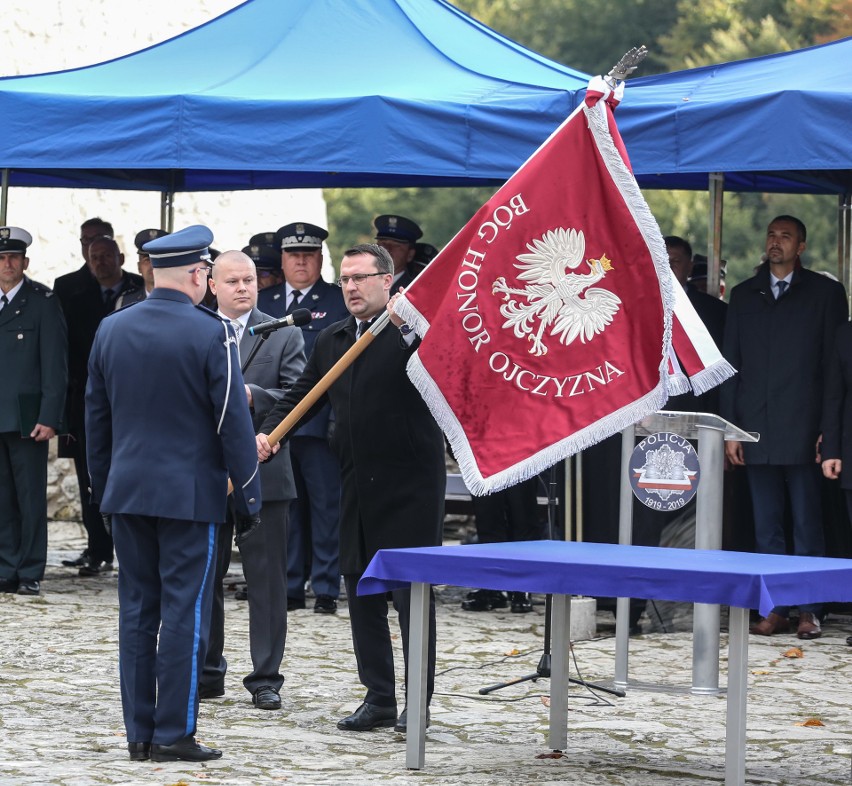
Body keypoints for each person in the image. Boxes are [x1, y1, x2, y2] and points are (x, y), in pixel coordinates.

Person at [85, 225, 261, 763]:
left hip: (128, 492)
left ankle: (138, 733)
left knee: (137, 612)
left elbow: (96, 419)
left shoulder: (111, 329)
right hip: (189, 496)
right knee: (183, 612)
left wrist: (103, 489)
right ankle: (172, 734)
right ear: (196, 274)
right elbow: (232, 422)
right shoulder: (213, 333)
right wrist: (248, 496)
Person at [256, 243, 445, 733]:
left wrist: (409, 331)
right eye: (345, 279)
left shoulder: (416, 335)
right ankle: (379, 696)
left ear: (388, 281)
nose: (351, 287)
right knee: (361, 591)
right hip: (355, 484)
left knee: (410, 598)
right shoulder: (335, 338)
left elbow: (448, 372)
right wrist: (271, 433)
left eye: (361, 278)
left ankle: (417, 702)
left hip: (410, 489)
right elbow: (305, 394)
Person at [721, 215, 848, 640]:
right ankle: (773, 609)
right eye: (772, 235)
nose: (776, 242)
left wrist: (828, 432)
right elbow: (730, 367)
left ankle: (811, 611)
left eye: (786, 236)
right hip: (754, 429)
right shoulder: (743, 294)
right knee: (766, 527)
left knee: (808, 526)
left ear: (802, 246)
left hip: (805, 429)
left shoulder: (827, 294)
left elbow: (835, 372)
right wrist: (730, 429)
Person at [199, 250, 306, 710]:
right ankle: (207, 671)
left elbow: (299, 394)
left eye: (250, 280)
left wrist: (253, 397)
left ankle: (266, 678)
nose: (244, 287)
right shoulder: (196, 330)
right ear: (212, 286)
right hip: (207, 473)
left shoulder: (284, 332)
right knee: (205, 575)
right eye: (234, 281)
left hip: (266, 471)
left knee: (267, 581)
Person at [259, 221, 348, 613]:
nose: (300, 262)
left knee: (327, 506)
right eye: (293, 255)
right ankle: (290, 584)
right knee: (284, 508)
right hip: (277, 422)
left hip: (322, 422)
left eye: (308, 255)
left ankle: (326, 585)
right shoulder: (267, 301)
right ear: (282, 259)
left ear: (320, 258)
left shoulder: (339, 299)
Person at [54, 225, 145, 577]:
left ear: (121, 258)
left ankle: (132, 547)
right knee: (91, 473)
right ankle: (97, 548)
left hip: (130, 398)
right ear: (86, 260)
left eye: (108, 256)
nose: (102, 262)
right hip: (86, 396)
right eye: (95, 257)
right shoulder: (70, 291)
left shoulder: (140, 289)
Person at [0, 227, 67, 596]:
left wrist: (50, 415)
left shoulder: (42, 301)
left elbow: (55, 365)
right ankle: (5, 566)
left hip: (28, 416)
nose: (7, 264)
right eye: (2, 258)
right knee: (2, 499)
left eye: (14, 257)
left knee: (29, 498)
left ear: (25, 262)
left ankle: (29, 570)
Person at [460, 477, 545, 613]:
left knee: (522, 515)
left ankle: (523, 587)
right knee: (487, 518)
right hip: (484, 460)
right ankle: (493, 586)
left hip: (519, 459)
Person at [374, 214, 423, 291]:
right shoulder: (360, 283)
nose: (387, 249)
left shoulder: (414, 291)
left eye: (396, 245)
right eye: (383, 243)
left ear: (410, 255)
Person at [126, 228, 169, 302]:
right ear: (139, 267)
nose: (153, 265)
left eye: (158, 258)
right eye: (147, 260)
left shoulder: (186, 302)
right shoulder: (126, 302)